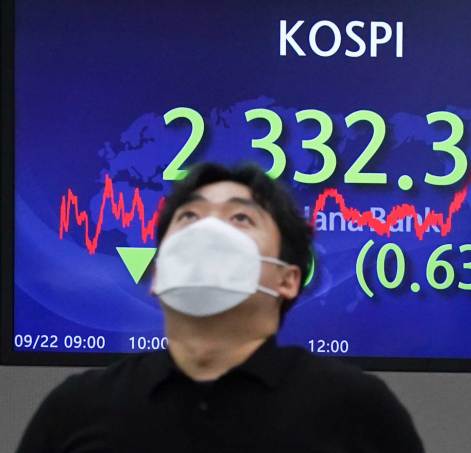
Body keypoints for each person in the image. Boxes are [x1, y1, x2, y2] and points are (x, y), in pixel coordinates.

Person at [17, 162, 425, 453]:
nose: (207, 231)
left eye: (241, 218)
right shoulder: (76, 409)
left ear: (288, 279)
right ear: (157, 273)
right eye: (189, 216)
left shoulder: (356, 409)